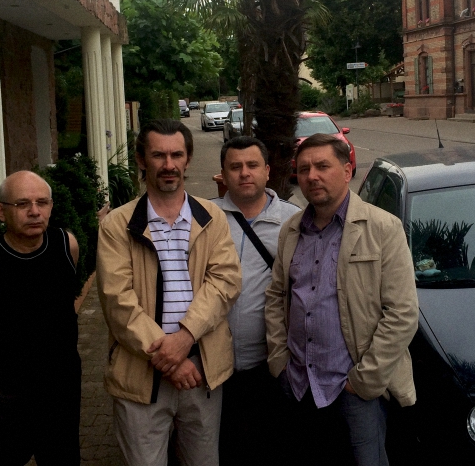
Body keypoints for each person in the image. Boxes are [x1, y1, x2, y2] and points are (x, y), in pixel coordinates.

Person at [264, 133, 419, 466]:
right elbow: (277, 296)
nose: (312, 176)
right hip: (300, 383)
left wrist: (363, 380)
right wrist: (279, 361)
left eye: (322, 166)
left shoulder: (383, 228)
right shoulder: (290, 230)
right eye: (304, 169)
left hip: (356, 390)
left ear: (347, 171)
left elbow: (403, 313)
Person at [97, 119, 241, 466]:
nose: (169, 164)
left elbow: (225, 282)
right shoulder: (117, 225)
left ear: (188, 159)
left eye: (176, 155)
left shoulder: (212, 217)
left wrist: (185, 338)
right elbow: (118, 302)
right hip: (141, 374)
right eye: (158, 155)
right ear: (141, 160)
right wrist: (169, 358)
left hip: (202, 371)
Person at [0, 170, 81, 465]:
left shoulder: (66, 245)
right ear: (1, 212)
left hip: (61, 390)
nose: (34, 212)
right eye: (22, 204)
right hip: (4, 399)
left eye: (42, 202)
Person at [211, 136, 300, 466]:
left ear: (267, 171)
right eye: (235, 167)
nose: (244, 173)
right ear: (223, 174)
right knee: (222, 450)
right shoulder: (203, 217)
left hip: (270, 366)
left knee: (269, 448)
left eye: (252, 165)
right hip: (213, 370)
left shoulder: (294, 221)